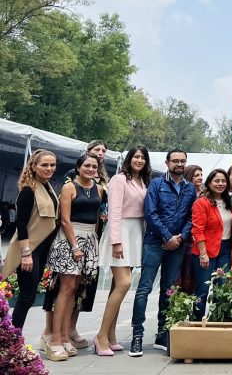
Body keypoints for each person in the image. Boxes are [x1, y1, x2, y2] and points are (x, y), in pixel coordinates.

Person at [42, 139, 110, 350]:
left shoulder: (99, 189)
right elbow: (64, 219)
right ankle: (55, 338)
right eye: (86, 165)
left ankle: (65, 336)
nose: (91, 169)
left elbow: (98, 218)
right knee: (66, 287)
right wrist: (74, 246)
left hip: (90, 239)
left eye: (94, 166)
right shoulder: (69, 186)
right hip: (69, 239)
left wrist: (94, 244)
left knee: (75, 289)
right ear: (78, 167)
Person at [129, 149, 196, 357]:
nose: (179, 164)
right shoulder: (156, 184)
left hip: (177, 246)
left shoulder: (190, 188)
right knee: (144, 288)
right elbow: (151, 213)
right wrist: (167, 237)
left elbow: (192, 217)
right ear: (167, 163)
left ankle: (162, 333)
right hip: (154, 243)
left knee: (168, 290)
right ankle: (137, 336)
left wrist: (180, 238)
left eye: (182, 161)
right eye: (175, 160)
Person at [94, 146, 151, 356]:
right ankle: (100, 335)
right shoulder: (119, 179)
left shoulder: (143, 181)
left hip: (136, 233)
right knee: (125, 282)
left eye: (143, 157)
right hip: (121, 232)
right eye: (136, 157)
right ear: (129, 159)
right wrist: (116, 241)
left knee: (116, 286)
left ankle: (111, 334)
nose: (139, 160)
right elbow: (114, 211)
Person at [3, 150, 59, 332]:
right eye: (44, 165)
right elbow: (21, 223)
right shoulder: (29, 190)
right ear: (34, 167)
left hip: (42, 249)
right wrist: (26, 253)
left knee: (29, 296)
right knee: (26, 297)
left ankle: (12, 336)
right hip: (30, 249)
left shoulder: (47, 187)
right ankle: (13, 337)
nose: (49, 168)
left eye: (52, 165)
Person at [191, 169, 232, 319]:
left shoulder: (229, 201)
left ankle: (216, 323)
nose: (220, 184)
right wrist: (203, 254)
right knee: (203, 289)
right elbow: (197, 229)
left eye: (223, 181)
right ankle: (197, 324)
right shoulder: (202, 203)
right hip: (206, 251)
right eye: (217, 181)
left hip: (225, 249)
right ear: (209, 183)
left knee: (221, 288)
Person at [177, 164, 204, 294]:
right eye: (196, 175)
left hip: (201, 236)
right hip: (187, 236)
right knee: (185, 269)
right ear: (189, 177)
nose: (200, 177)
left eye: (201, 175)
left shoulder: (205, 194)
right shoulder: (185, 193)